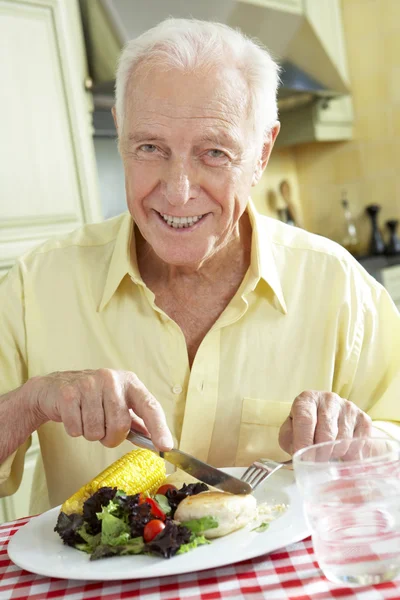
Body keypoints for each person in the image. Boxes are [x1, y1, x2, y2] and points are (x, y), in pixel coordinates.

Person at [1, 18, 399, 516]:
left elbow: (393, 441)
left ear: (261, 154)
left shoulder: (337, 287)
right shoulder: (36, 284)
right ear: (122, 134)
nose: (179, 191)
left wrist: (363, 441)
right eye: (150, 148)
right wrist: (33, 401)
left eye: (214, 153)